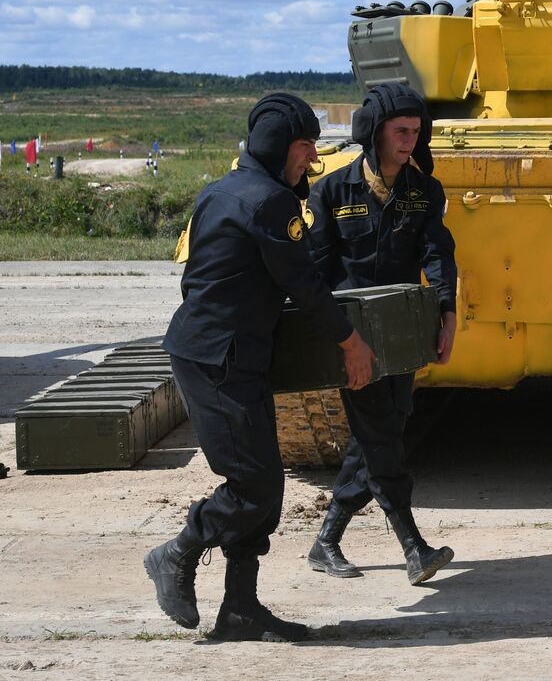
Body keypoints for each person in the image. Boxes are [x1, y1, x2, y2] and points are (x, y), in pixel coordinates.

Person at [147, 93, 375, 642]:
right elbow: (304, 285)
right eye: (305, 147)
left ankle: (241, 609)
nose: (313, 158)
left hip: (219, 352)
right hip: (220, 360)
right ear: (280, 147)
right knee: (254, 487)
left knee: (261, 484)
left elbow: (196, 278)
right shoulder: (270, 201)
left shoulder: (221, 190)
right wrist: (351, 343)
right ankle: (176, 551)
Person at [305, 83, 457, 586]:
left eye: (416, 132)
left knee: (382, 432)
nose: (410, 141)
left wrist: (447, 312)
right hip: (354, 339)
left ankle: (326, 540)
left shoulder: (424, 192)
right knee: (381, 438)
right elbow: (316, 269)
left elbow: (438, 255)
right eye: (400, 131)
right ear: (374, 132)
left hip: (404, 334)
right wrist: (331, 334)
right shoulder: (332, 191)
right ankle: (414, 546)